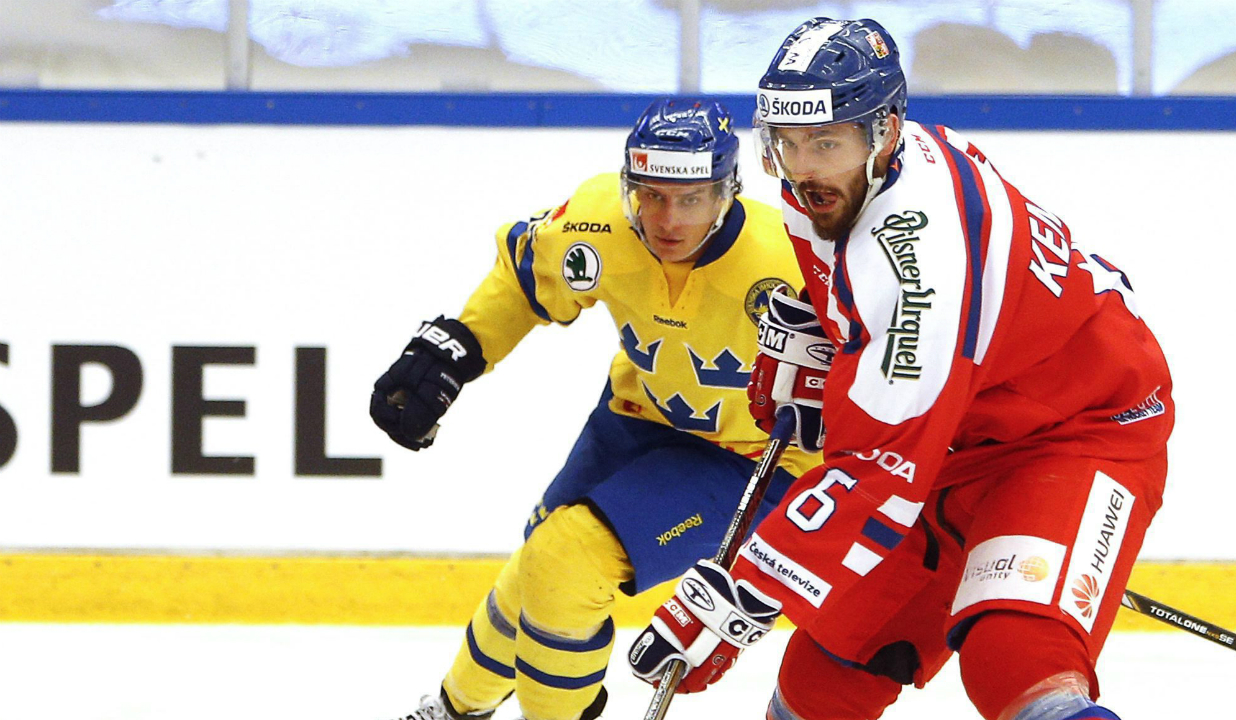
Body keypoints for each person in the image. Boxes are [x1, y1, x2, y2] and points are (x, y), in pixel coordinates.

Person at [628, 18, 1174, 720]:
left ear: (884, 130)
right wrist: (832, 346)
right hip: (950, 431)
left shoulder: (920, 260)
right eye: (788, 143)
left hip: (1077, 427)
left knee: (1015, 660)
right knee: (820, 681)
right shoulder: (832, 185)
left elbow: (881, 463)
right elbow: (876, 334)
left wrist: (742, 595)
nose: (802, 166)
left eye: (825, 142)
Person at [369, 97, 820, 720]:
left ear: (727, 193)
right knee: (540, 571)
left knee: (567, 561)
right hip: (636, 416)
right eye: (652, 194)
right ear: (629, 184)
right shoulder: (597, 221)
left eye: (690, 198)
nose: (668, 219)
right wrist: (457, 349)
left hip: (758, 459)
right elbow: (527, 278)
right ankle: (453, 710)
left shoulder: (793, 259)